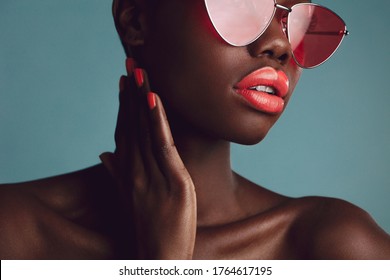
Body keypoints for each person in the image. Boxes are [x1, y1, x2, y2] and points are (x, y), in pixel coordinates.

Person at [1, 0, 389, 260]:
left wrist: (166, 264)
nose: (279, 45)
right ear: (137, 21)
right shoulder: (15, 231)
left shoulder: (334, 246)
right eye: (241, 8)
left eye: (298, 23)